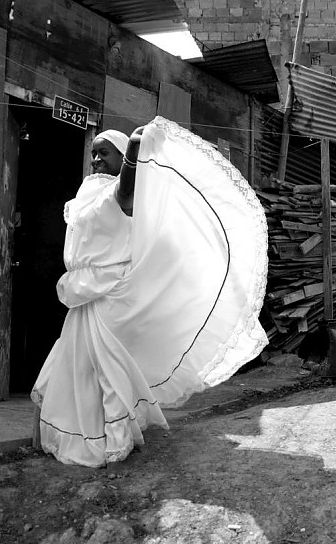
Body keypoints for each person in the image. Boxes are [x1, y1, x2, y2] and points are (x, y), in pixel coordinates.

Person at [32, 119, 270, 467]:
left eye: (104, 153)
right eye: (93, 154)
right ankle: (74, 433)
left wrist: (133, 149)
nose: (96, 160)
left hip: (110, 298)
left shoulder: (123, 197)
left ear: (121, 161)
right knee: (75, 369)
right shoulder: (85, 196)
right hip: (84, 297)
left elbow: (124, 193)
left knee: (108, 371)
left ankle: (113, 442)